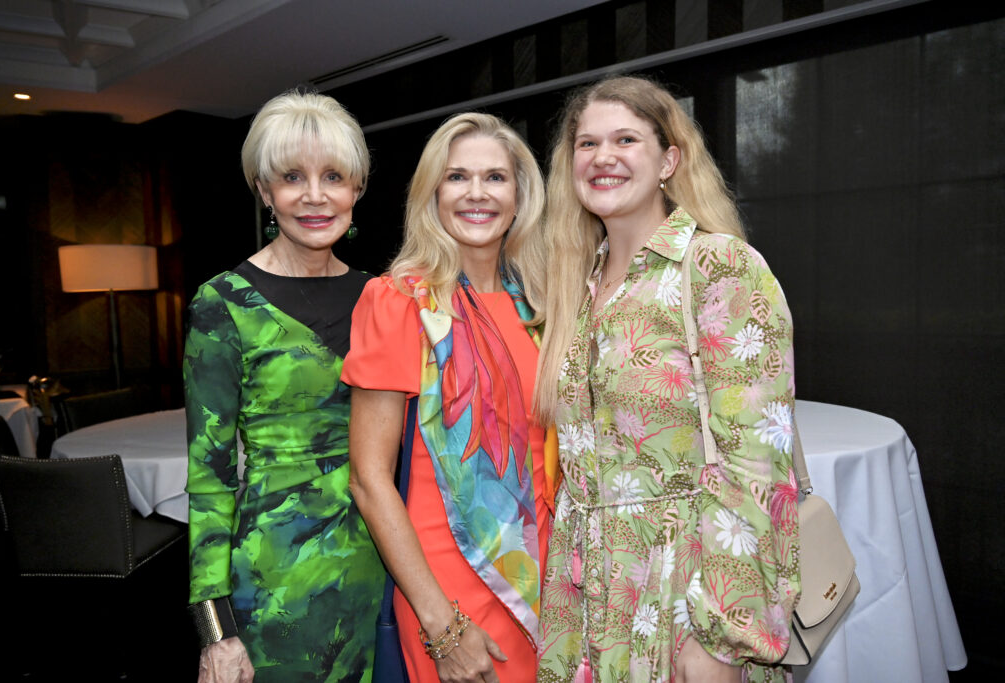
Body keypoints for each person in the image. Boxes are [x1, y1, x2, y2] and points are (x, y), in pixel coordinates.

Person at [534, 75, 801, 683]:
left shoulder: (718, 266)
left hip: (685, 593)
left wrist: (725, 638)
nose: (603, 156)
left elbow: (758, 467)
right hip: (588, 595)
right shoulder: (576, 286)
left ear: (668, 161)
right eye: (587, 143)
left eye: (626, 139)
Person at [342, 112, 553, 683]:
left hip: (553, 576)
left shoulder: (541, 305)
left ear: (520, 194)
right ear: (432, 194)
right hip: (448, 588)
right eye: (457, 177)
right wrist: (442, 625)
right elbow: (368, 479)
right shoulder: (398, 301)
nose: (476, 193)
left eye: (495, 177)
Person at [184, 90, 384, 682]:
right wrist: (216, 632)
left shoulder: (383, 298)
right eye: (292, 177)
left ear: (357, 189)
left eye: (333, 177)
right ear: (264, 191)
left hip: (382, 567)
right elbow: (208, 477)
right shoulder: (222, 304)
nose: (315, 195)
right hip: (276, 582)